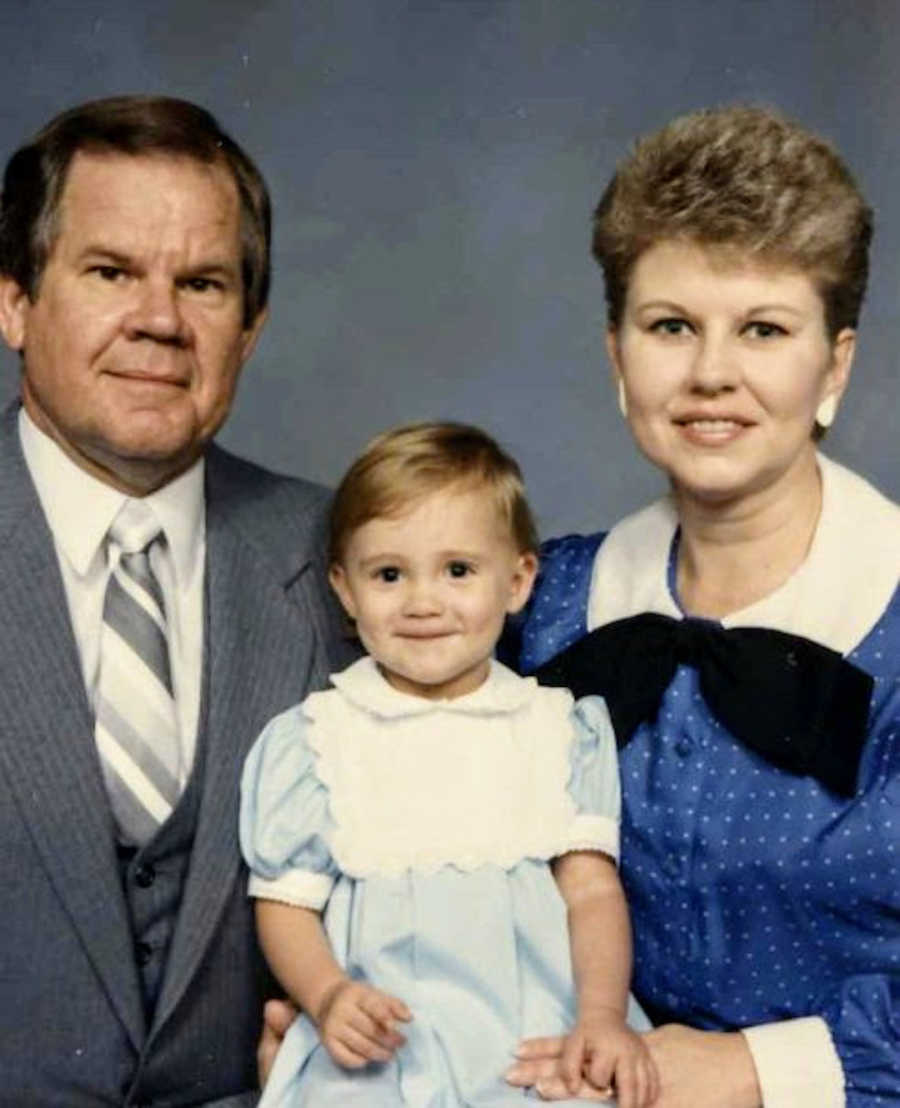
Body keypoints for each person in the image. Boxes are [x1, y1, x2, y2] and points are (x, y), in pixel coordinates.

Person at [501, 106, 900, 1106]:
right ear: (616, 354)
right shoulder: (536, 603)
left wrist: (751, 1069)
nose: (710, 372)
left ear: (835, 367)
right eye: (671, 326)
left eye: (763, 329)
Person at [0, 95, 351, 1107]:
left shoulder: (351, 560)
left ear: (250, 326)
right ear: (16, 301)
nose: (158, 319)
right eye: (110, 271)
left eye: (202, 283)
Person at [239, 422, 659, 1107]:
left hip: (531, 1035)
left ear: (517, 580)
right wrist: (327, 993)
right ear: (344, 589)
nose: (423, 602)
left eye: (458, 570)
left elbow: (590, 893)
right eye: (389, 575)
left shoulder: (556, 729)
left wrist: (603, 1017)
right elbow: (285, 904)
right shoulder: (317, 738)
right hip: (379, 1047)